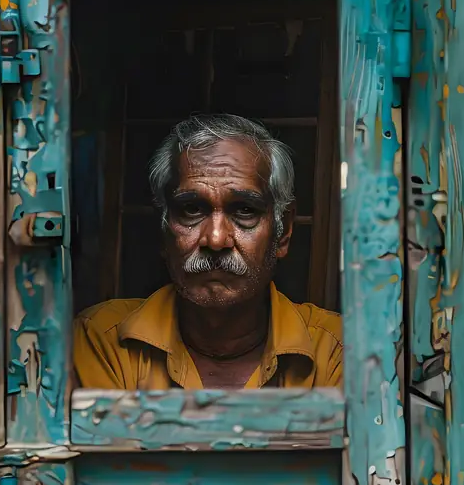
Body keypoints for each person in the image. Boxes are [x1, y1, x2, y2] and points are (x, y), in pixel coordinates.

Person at [74, 114, 342, 389]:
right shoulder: (101, 339)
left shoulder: (339, 350)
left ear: (282, 231)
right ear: (163, 229)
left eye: (244, 211)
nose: (215, 239)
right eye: (192, 210)